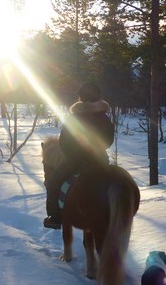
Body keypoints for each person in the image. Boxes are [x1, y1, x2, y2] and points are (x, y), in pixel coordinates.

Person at [44, 82, 115, 229]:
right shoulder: (104, 118)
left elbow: (64, 142)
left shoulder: (74, 118)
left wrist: (76, 154)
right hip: (100, 159)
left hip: (75, 160)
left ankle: (55, 218)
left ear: (81, 97)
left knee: (52, 183)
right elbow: (108, 141)